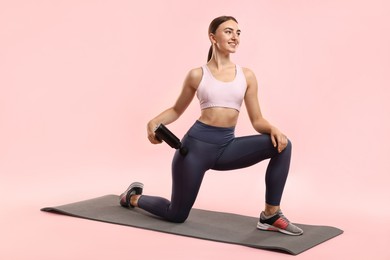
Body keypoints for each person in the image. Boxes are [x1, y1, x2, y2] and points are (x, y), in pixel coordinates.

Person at [119, 16, 303, 236]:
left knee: (283, 145)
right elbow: (176, 110)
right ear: (212, 37)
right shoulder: (198, 74)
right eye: (228, 31)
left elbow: (257, 120)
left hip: (226, 147)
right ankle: (132, 197)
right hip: (194, 151)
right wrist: (153, 122)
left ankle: (270, 214)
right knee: (176, 214)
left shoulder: (247, 76)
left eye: (238, 32)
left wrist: (273, 129)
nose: (235, 37)